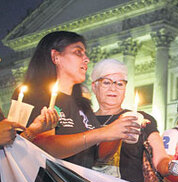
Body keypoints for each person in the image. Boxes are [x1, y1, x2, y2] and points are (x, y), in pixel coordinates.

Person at [15, 31, 139, 168]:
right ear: (56, 57)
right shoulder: (33, 93)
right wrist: (103, 132)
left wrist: (119, 131)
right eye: (78, 52)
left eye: (85, 54)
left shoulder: (82, 104)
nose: (86, 59)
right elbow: (45, 146)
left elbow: (100, 156)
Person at [91, 58, 178, 182]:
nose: (113, 89)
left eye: (120, 84)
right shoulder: (83, 119)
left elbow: (160, 159)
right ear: (94, 86)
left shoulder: (141, 118)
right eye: (106, 82)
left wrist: (174, 166)